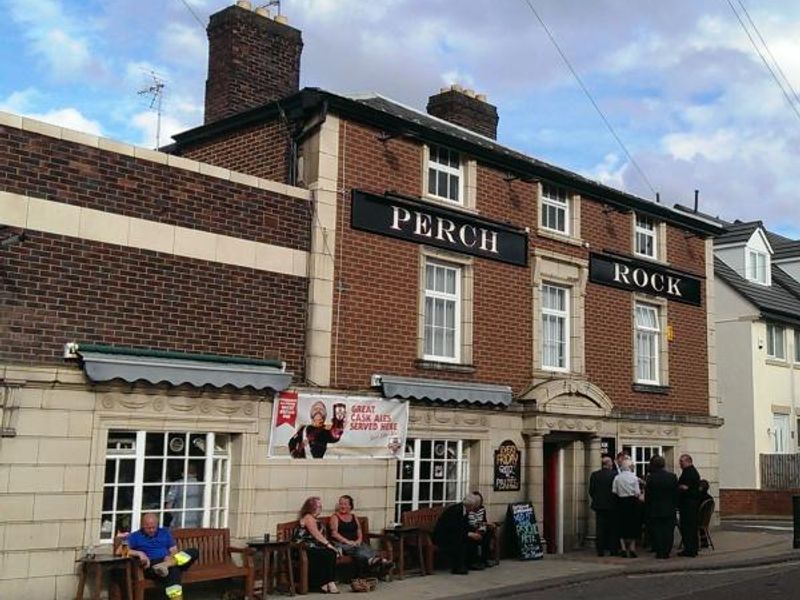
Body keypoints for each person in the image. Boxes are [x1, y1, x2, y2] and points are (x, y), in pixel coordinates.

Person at [127, 513, 198, 599]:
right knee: (174, 570)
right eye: (148, 528)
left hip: (169, 561)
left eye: (154, 527)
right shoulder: (135, 536)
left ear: (157, 525)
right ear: (142, 525)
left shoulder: (164, 532)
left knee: (193, 551)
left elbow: (174, 550)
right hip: (153, 565)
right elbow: (121, 550)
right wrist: (140, 553)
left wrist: (170, 557)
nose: (152, 530)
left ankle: (167, 565)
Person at [329, 494, 391, 577]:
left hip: (356, 543)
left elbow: (359, 529)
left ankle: (375, 562)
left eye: (345, 504)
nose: (342, 506)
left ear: (350, 506)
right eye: (341, 504)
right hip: (342, 544)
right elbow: (334, 533)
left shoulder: (354, 516)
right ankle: (377, 561)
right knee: (357, 550)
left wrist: (358, 540)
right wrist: (348, 542)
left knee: (362, 548)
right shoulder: (335, 517)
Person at [294, 496, 340, 593]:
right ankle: (326, 582)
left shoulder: (315, 519)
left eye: (320, 506)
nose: (320, 508)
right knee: (329, 552)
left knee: (330, 553)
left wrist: (331, 546)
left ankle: (328, 582)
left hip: (314, 547)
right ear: (311, 507)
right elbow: (316, 534)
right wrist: (329, 545)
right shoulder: (308, 517)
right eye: (318, 506)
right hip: (303, 549)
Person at [432, 493, 483, 574]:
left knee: (471, 538)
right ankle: (458, 567)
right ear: (470, 506)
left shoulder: (464, 510)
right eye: (473, 507)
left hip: (454, 534)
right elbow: (453, 529)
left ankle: (471, 563)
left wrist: (473, 532)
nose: (474, 509)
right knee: (460, 540)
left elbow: (465, 526)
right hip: (443, 537)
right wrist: (469, 534)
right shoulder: (455, 511)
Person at [644, 455, 678, 559]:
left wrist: (648, 507)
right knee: (668, 531)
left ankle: (659, 552)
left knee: (657, 531)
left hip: (655, 508)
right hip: (669, 508)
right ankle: (666, 551)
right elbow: (675, 494)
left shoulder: (650, 478)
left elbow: (648, 495)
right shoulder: (672, 477)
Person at [589, 456, 618, 556]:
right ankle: (613, 550)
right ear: (609, 464)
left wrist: (597, 499)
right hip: (612, 505)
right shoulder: (615, 474)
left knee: (600, 529)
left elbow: (591, 491)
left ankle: (600, 551)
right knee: (612, 528)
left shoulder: (595, 475)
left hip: (599, 505)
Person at [612, 459, 641, 558]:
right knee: (633, 525)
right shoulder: (634, 478)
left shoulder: (617, 478)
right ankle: (632, 548)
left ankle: (623, 548)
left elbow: (614, 491)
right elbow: (637, 492)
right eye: (632, 465)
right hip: (632, 502)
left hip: (620, 502)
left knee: (621, 524)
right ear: (629, 467)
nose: (633, 467)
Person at [677, 453, 701, 557]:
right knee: (690, 527)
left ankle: (690, 549)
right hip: (690, 503)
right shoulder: (691, 471)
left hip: (688, 504)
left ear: (688, 461)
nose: (680, 464)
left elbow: (686, 487)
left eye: (681, 462)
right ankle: (692, 548)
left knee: (688, 527)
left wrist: (682, 487)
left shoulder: (689, 472)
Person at [166, 463, 203, 528]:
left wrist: (175, 515)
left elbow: (168, 506)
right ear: (196, 473)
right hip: (197, 523)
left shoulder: (177, 484)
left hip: (179, 523)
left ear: (183, 473)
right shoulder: (202, 486)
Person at [466, 491, 497, 567]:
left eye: (479, 502)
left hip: (481, 528)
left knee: (488, 533)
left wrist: (487, 524)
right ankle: (474, 562)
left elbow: (484, 521)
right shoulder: (468, 510)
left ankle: (485, 559)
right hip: (471, 529)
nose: (477, 504)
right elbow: (468, 524)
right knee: (474, 537)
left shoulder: (482, 509)